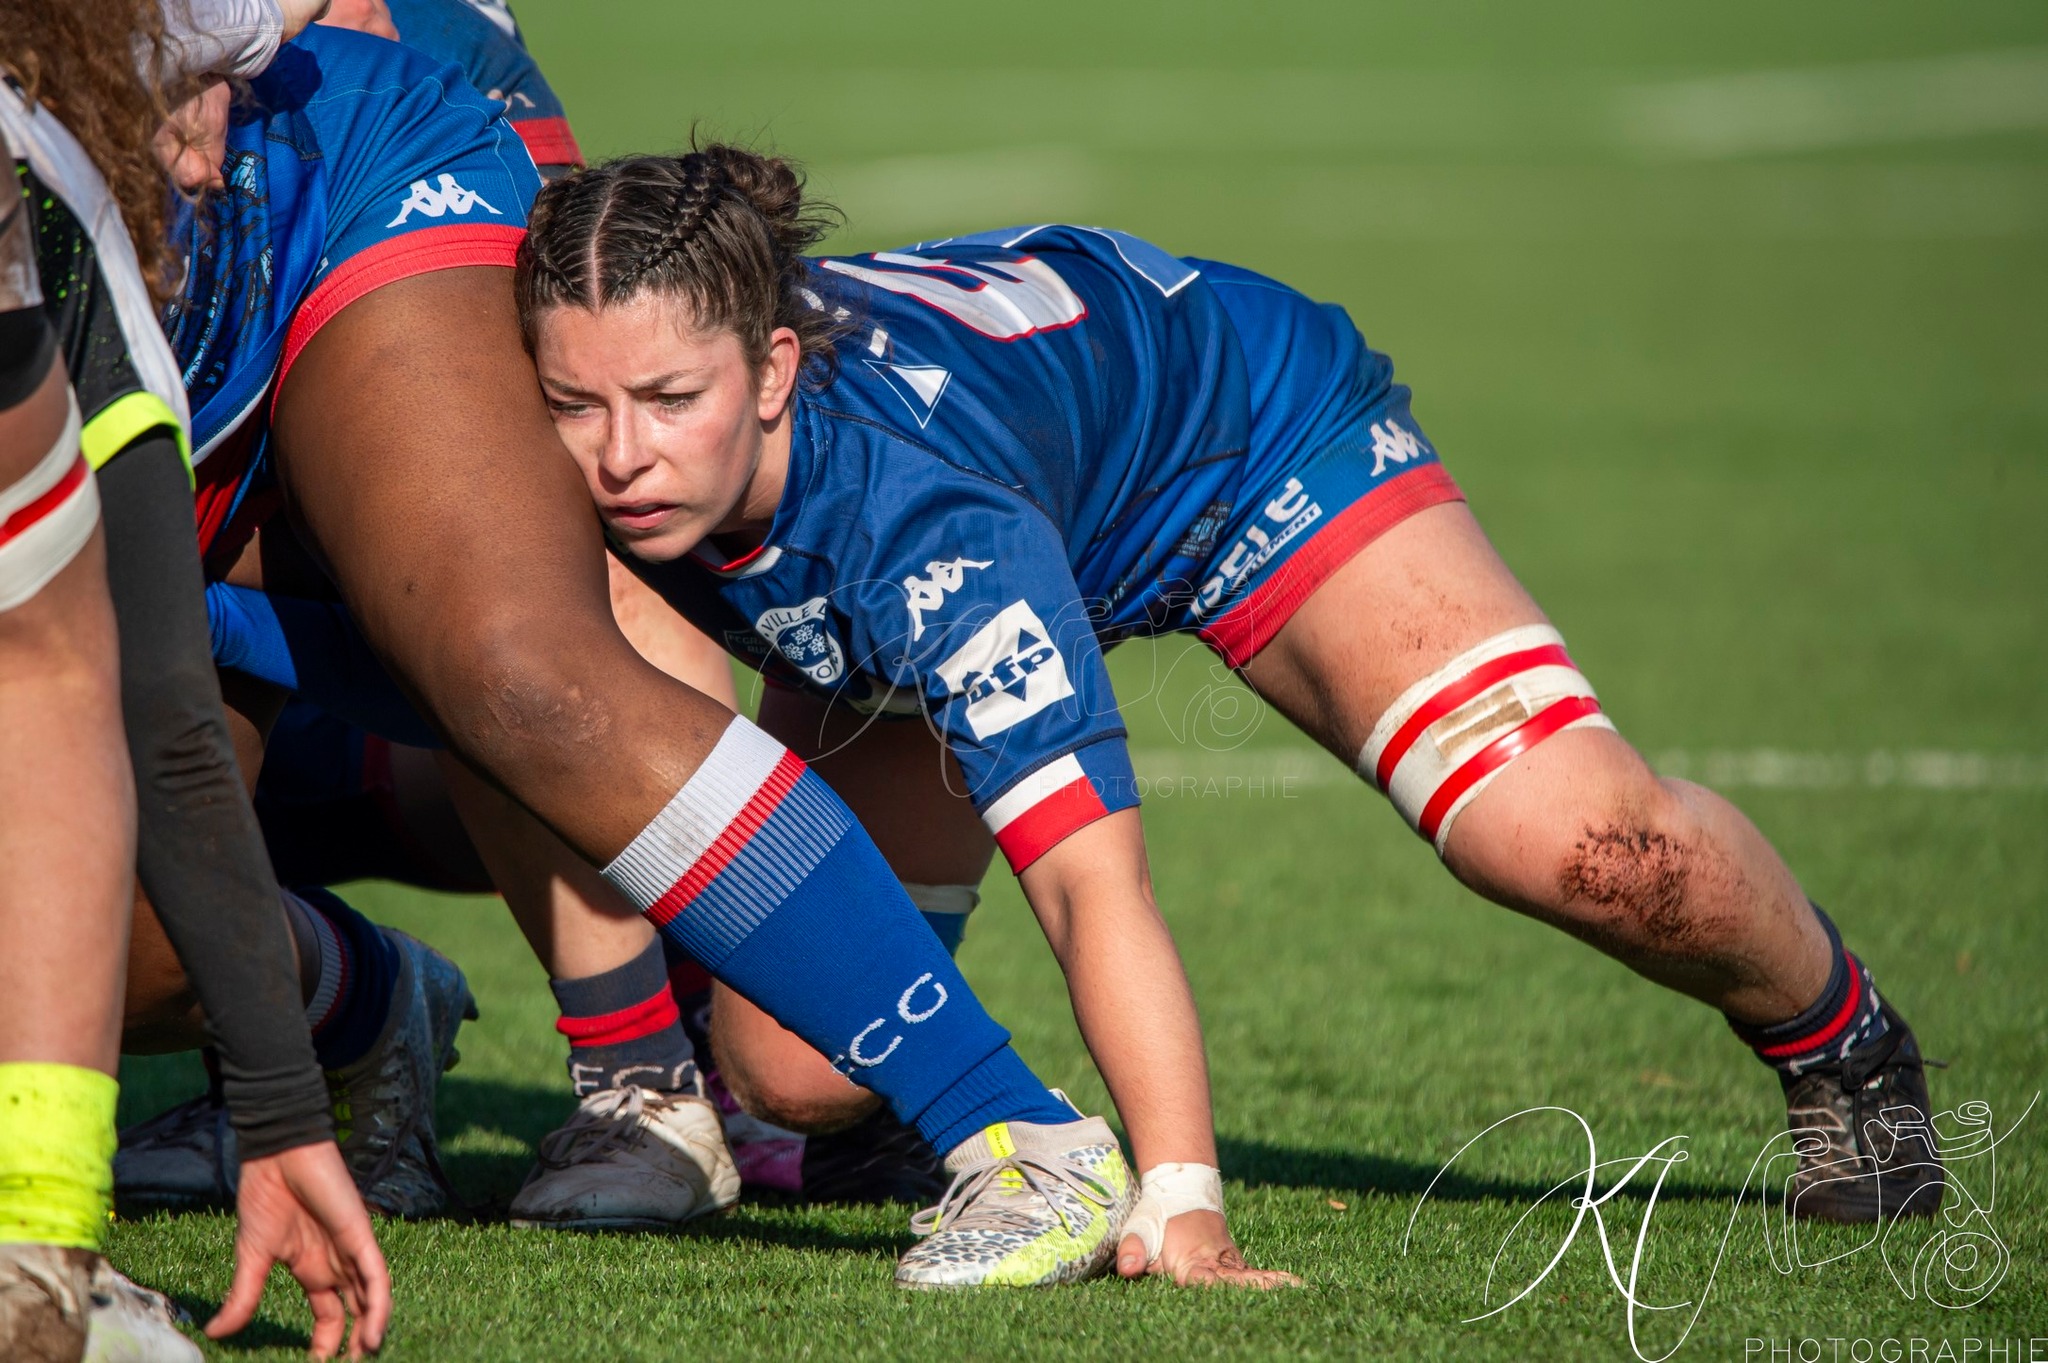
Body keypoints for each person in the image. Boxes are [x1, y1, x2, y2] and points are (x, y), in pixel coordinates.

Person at [510, 144, 1949, 1284]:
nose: (621, 454)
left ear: (772, 369)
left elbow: (1090, 882)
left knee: (1573, 844)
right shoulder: (655, 451)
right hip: (936, 551)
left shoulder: (923, 518)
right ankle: (923, 1131)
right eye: (576, 402)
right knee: (793, 1068)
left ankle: (1844, 1039)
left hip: (1241, 448)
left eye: (668, 396)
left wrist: (1182, 1194)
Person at [100, 22, 1135, 1289]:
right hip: (82, 276)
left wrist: (186, 48)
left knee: (513, 658)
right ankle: (364, 1011)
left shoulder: (216, 112)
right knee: (111, 932)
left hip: (324, 173)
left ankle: (993, 1126)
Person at [0, 1, 390, 1357]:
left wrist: (279, 1105)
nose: (226, 155)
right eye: (216, 86)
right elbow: (146, 712)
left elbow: (159, 711)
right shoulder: (51, 201)